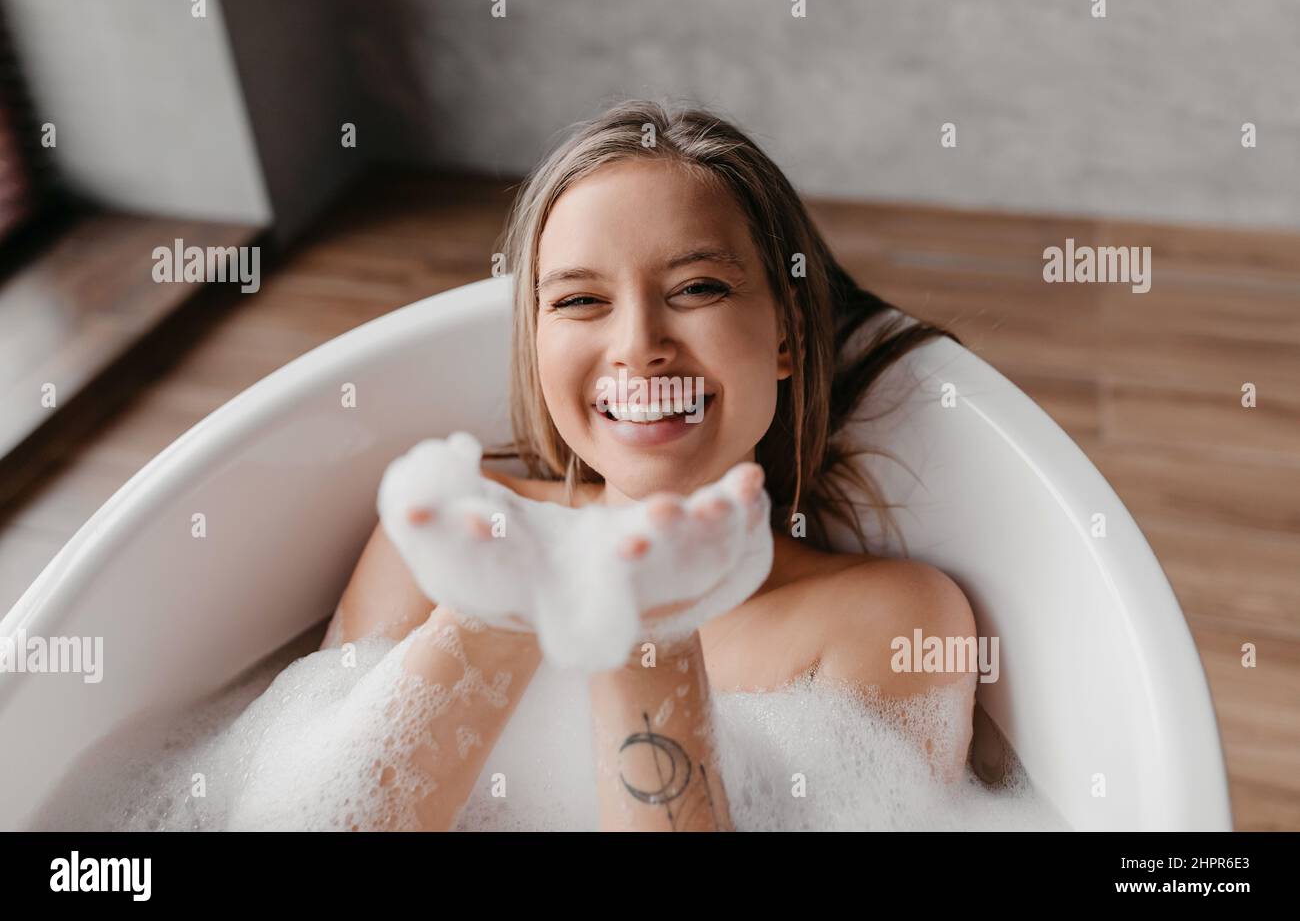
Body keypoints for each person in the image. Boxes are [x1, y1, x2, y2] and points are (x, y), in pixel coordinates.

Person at [320, 98, 979, 831]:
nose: (639, 344)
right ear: (535, 346)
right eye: (579, 299)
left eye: (697, 288)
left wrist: (647, 635)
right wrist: (490, 616)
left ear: (787, 332)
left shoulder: (886, 620)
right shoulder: (448, 531)